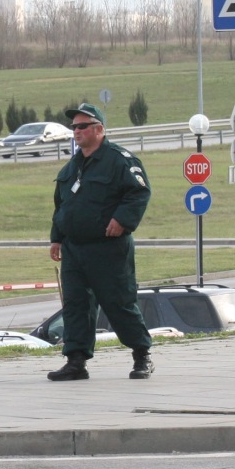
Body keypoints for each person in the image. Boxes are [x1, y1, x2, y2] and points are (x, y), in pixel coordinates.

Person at [47, 103, 154, 382]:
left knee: (118, 301)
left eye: (82, 126)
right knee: (75, 305)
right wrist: (56, 238)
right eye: (74, 127)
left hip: (108, 247)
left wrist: (122, 220)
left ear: (99, 130)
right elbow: (62, 206)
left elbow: (139, 192)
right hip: (74, 248)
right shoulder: (73, 166)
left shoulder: (120, 160)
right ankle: (76, 361)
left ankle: (142, 355)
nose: (76, 131)